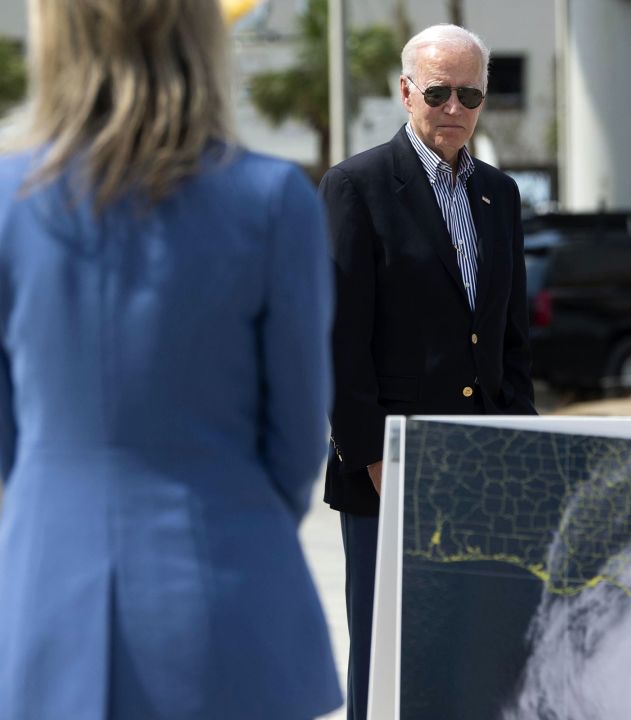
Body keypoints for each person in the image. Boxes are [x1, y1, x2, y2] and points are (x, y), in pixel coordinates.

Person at [0, 1, 342, 718]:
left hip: (42, 596)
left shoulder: (7, 204)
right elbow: (297, 443)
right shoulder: (274, 201)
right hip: (228, 585)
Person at [318, 23, 536, 720]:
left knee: (478, 653)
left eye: (468, 94)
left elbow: (510, 334)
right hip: (392, 469)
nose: (453, 107)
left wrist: (523, 446)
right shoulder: (357, 186)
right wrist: (374, 458)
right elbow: (339, 338)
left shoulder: (499, 194)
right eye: (437, 91)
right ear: (406, 92)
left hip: (486, 463)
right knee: (387, 656)